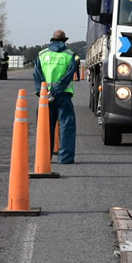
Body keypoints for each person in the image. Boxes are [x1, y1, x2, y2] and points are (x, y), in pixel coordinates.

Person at [33, 30, 78, 164]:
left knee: (45, 126)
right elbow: (69, 76)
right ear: (65, 41)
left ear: (52, 40)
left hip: (45, 96)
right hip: (63, 95)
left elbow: (37, 75)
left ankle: (45, 156)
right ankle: (65, 158)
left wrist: (44, 91)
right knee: (67, 126)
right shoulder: (70, 56)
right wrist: (56, 90)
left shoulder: (42, 54)